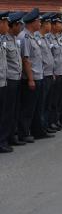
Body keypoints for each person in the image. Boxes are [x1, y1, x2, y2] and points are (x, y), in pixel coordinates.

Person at [18, 8, 52, 142]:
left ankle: (38, 131)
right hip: (31, 78)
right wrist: (31, 79)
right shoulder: (25, 37)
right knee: (28, 108)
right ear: (33, 22)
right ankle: (24, 133)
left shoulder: (33, 36)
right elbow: (26, 60)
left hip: (39, 76)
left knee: (38, 107)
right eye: (39, 21)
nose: (40, 23)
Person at [3, 12, 25, 148]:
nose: (21, 28)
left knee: (15, 110)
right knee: (7, 112)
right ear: (14, 26)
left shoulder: (14, 40)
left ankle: (12, 136)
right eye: (19, 25)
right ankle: (4, 139)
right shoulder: (4, 40)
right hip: (9, 80)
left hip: (17, 79)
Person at [35, 13, 55, 134]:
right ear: (44, 24)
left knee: (48, 102)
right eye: (48, 24)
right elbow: (38, 59)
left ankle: (46, 125)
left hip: (49, 74)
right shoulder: (37, 38)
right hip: (42, 75)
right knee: (41, 104)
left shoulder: (46, 38)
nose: (50, 26)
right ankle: (40, 128)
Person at [47, 14, 62, 129]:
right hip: (53, 74)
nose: (61, 25)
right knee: (51, 100)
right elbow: (49, 57)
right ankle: (50, 122)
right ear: (53, 25)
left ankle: (56, 119)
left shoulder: (58, 37)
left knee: (58, 99)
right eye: (59, 23)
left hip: (60, 72)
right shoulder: (48, 38)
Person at [0, 12, 11, 153]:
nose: (7, 26)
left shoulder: (2, 39)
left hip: (3, 82)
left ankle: (2, 141)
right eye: (6, 23)